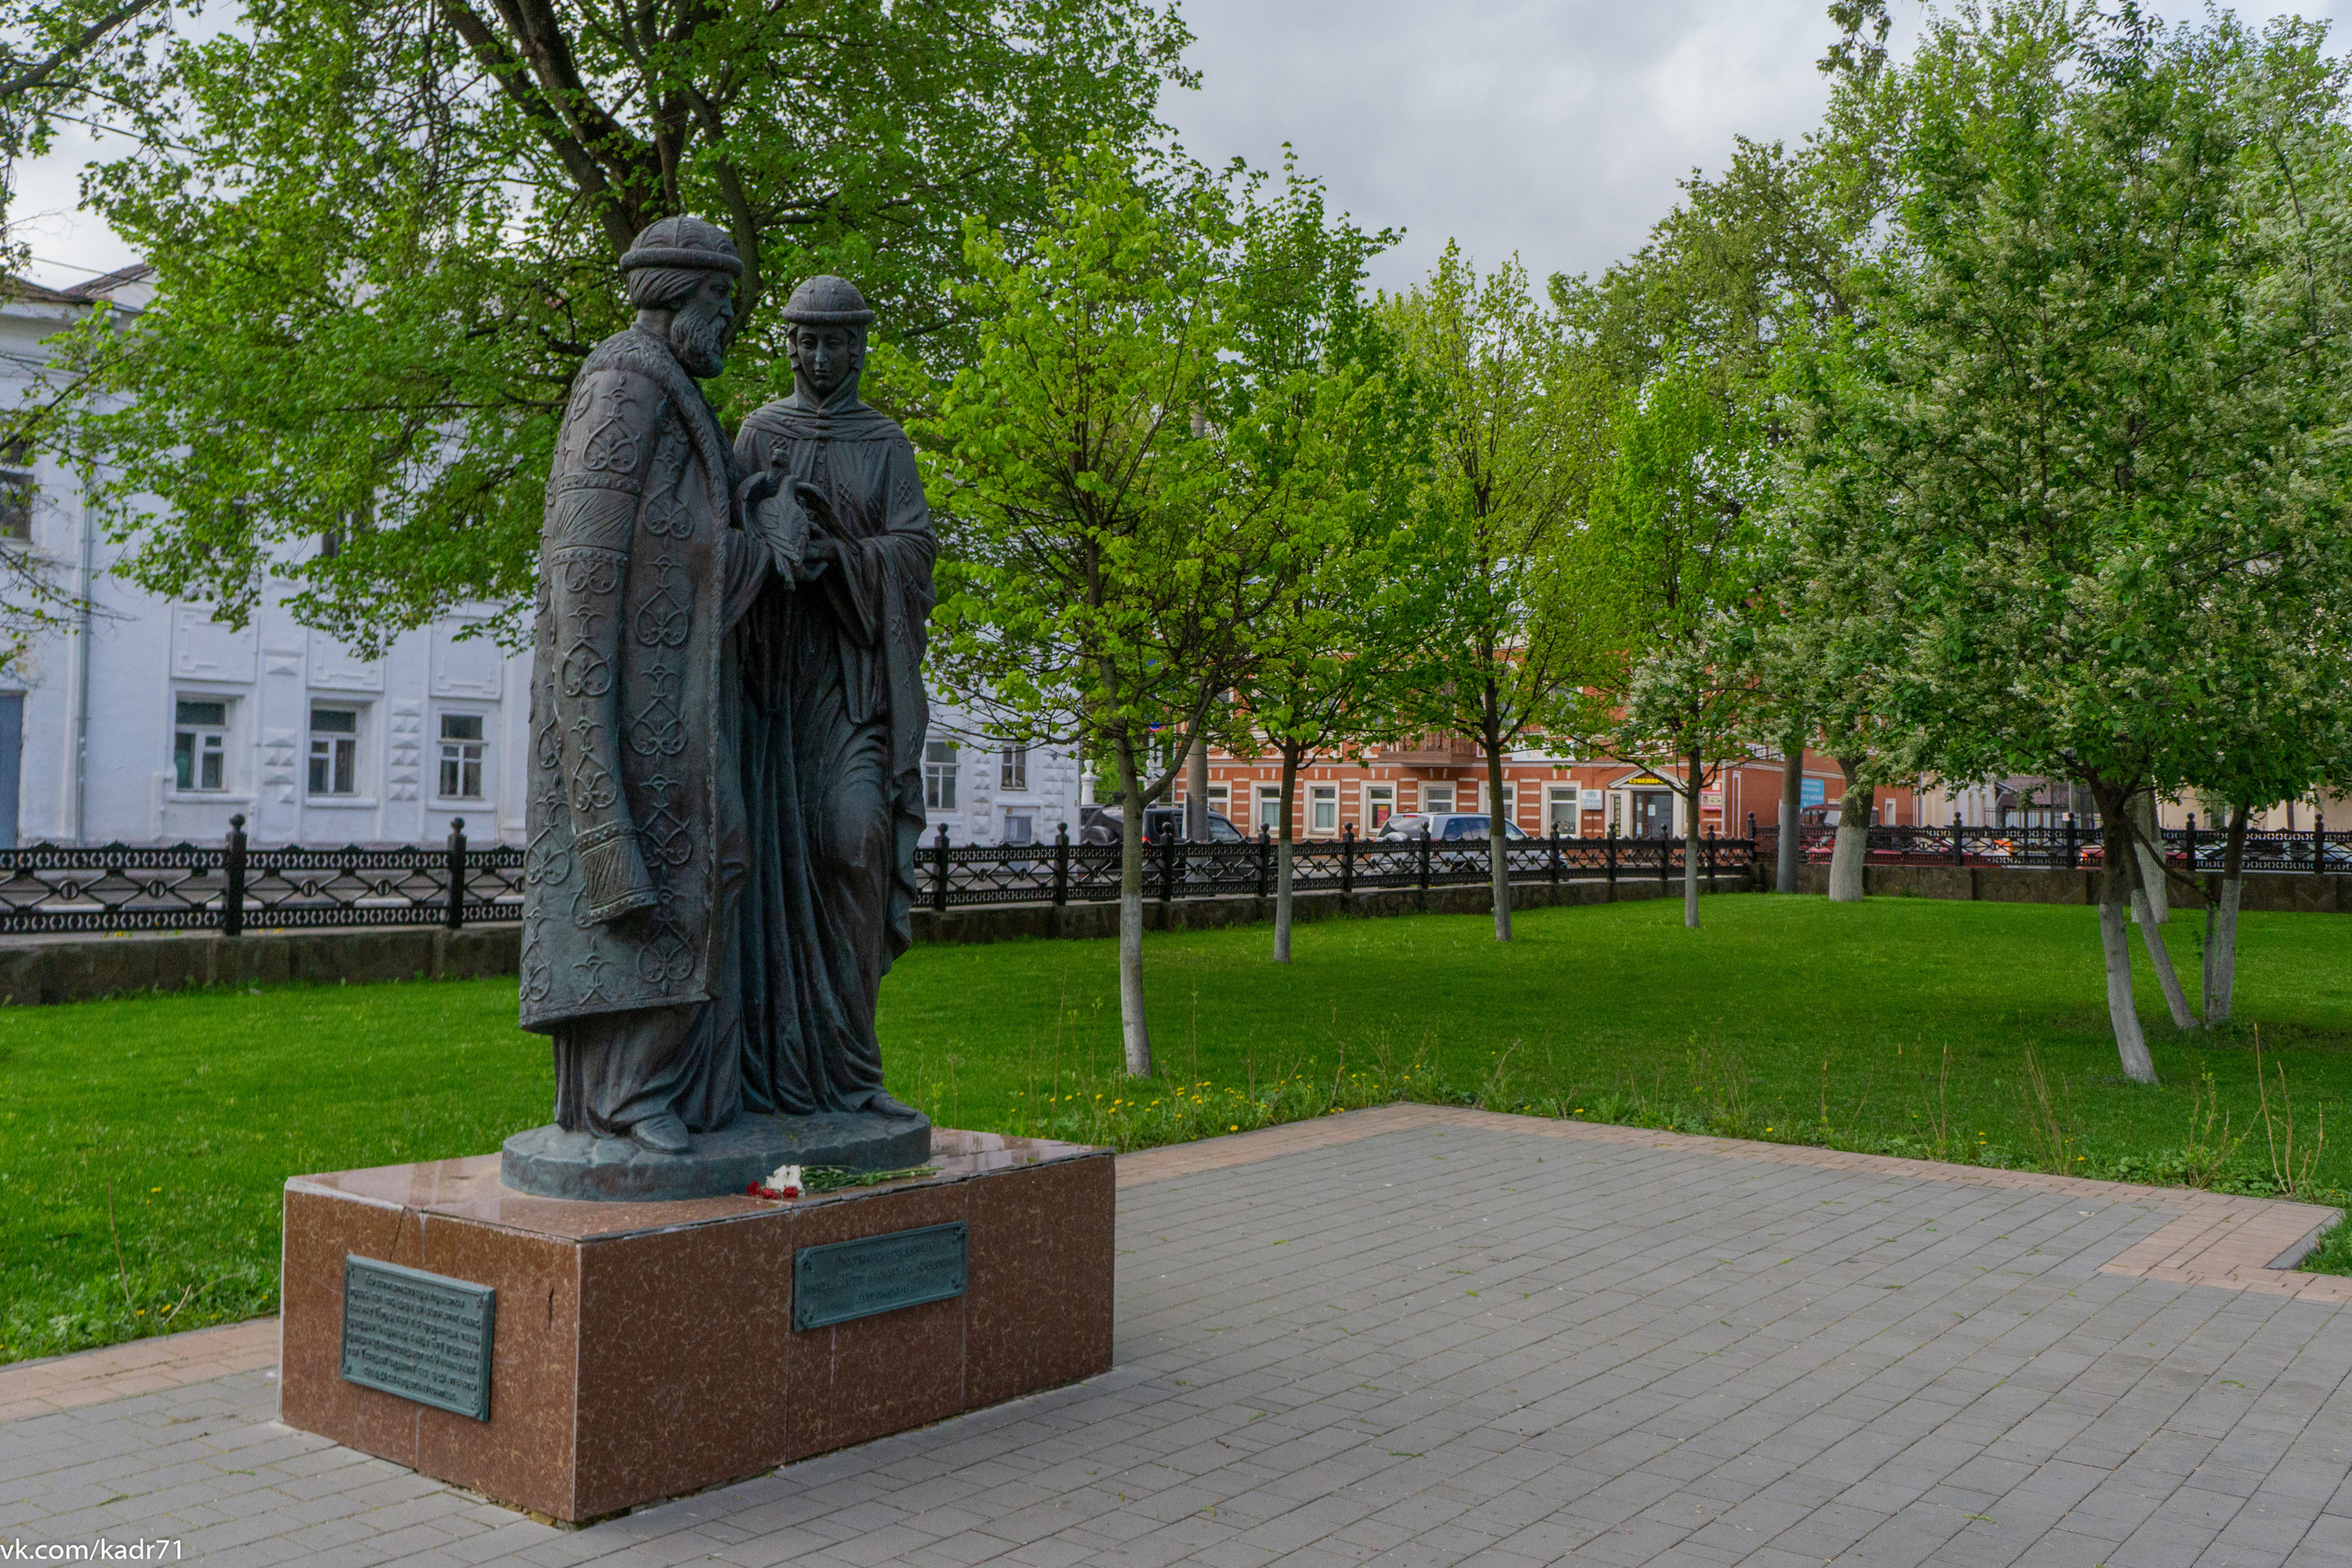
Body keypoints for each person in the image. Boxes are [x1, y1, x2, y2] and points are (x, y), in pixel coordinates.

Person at [517, 216, 798, 1152]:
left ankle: (662, 1087)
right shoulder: (621, 390)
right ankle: (624, 1094)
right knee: (681, 873)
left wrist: (751, 529)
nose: (729, 325)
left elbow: (684, 539)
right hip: (627, 709)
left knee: (716, 863)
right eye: (722, 303)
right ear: (678, 297)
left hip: (673, 698)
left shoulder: (667, 388)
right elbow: (586, 564)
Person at [732, 276, 933, 1120]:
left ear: (858, 347)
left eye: (835, 342)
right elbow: (727, 533)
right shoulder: (758, 432)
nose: (819, 357)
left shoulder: (884, 444)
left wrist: (838, 558)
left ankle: (852, 1072)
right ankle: (770, 1077)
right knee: (771, 870)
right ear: (789, 345)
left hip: (851, 683)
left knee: (854, 844)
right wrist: (768, 529)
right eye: (805, 341)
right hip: (775, 688)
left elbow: (915, 552)